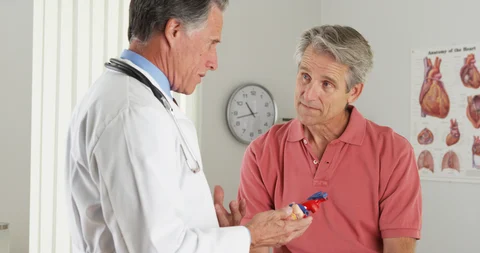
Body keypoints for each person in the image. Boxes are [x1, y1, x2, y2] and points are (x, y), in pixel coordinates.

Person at [64, 1, 313, 252]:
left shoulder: (139, 101)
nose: (214, 62)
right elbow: (157, 248)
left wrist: (216, 232)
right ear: (174, 31)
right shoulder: (133, 114)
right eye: (211, 43)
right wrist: (249, 237)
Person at [237, 25, 422, 253]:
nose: (308, 94)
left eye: (326, 84)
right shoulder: (262, 152)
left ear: (353, 92)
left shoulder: (394, 152)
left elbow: (399, 249)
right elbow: (256, 245)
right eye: (305, 77)